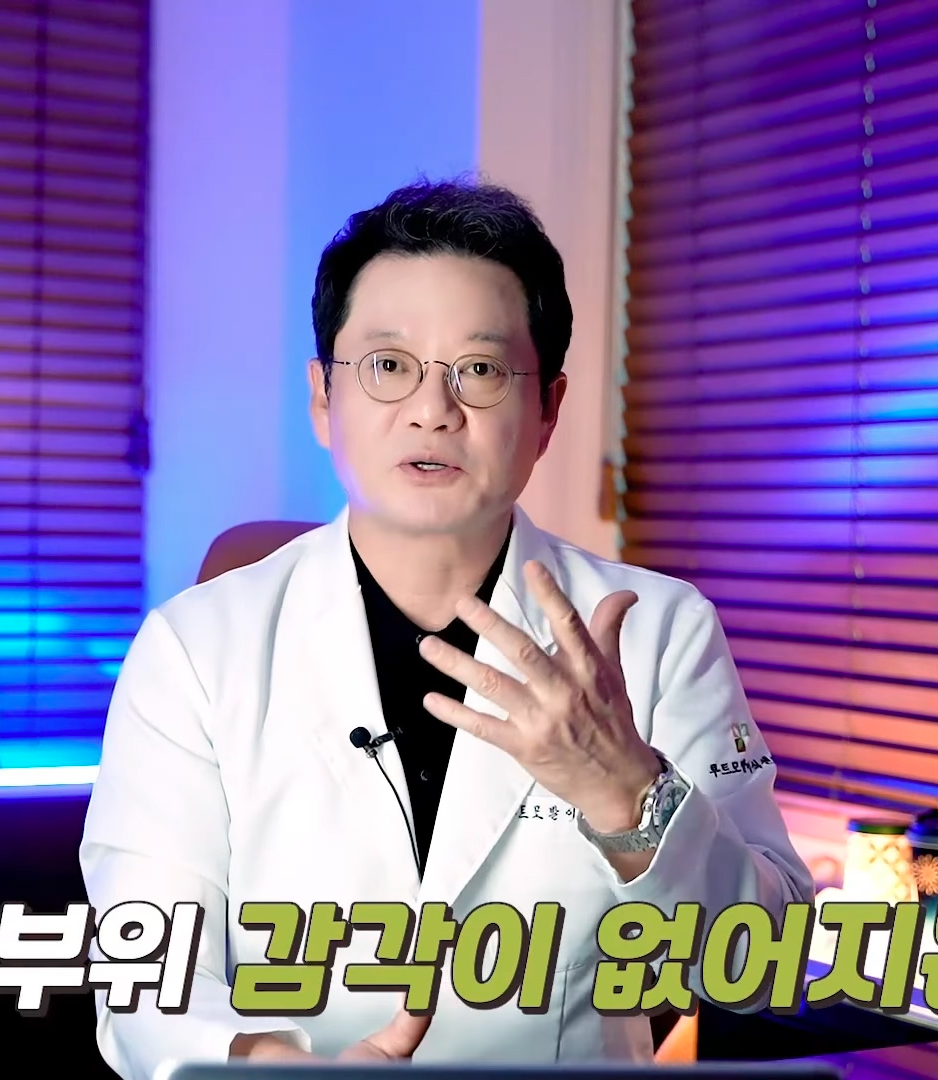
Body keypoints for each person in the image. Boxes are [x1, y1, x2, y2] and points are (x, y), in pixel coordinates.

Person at [79, 179, 813, 1077]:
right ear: (322, 400)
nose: (433, 409)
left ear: (547, 410)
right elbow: (144, 975)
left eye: (480, 370)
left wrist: (629, 794)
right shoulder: (194, 648)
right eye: (389, 366)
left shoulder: (659, 631)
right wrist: (277, 1067)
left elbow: (768, 968)